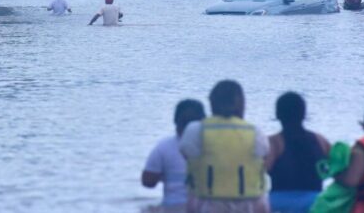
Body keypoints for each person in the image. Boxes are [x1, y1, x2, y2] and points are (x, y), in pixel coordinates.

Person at [180, 80, 269, 213]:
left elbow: (186, 155)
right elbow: (264, 156)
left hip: (208, 202)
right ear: (241, 104)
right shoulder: (255, 131)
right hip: (248, 203)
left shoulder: (196, 129)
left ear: (212, 103)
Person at [267, 92, 331, 212]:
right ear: (304, 114)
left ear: (277, 114)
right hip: (315, 201)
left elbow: (260, 171)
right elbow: (338, 170)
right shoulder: (320, 140)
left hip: (280, 202)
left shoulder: (274, 142)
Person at [142, 99, 205, 209]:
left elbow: (148, 182)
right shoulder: (212, 147)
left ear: (175, 121)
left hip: (172, 207)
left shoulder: (163, 148)